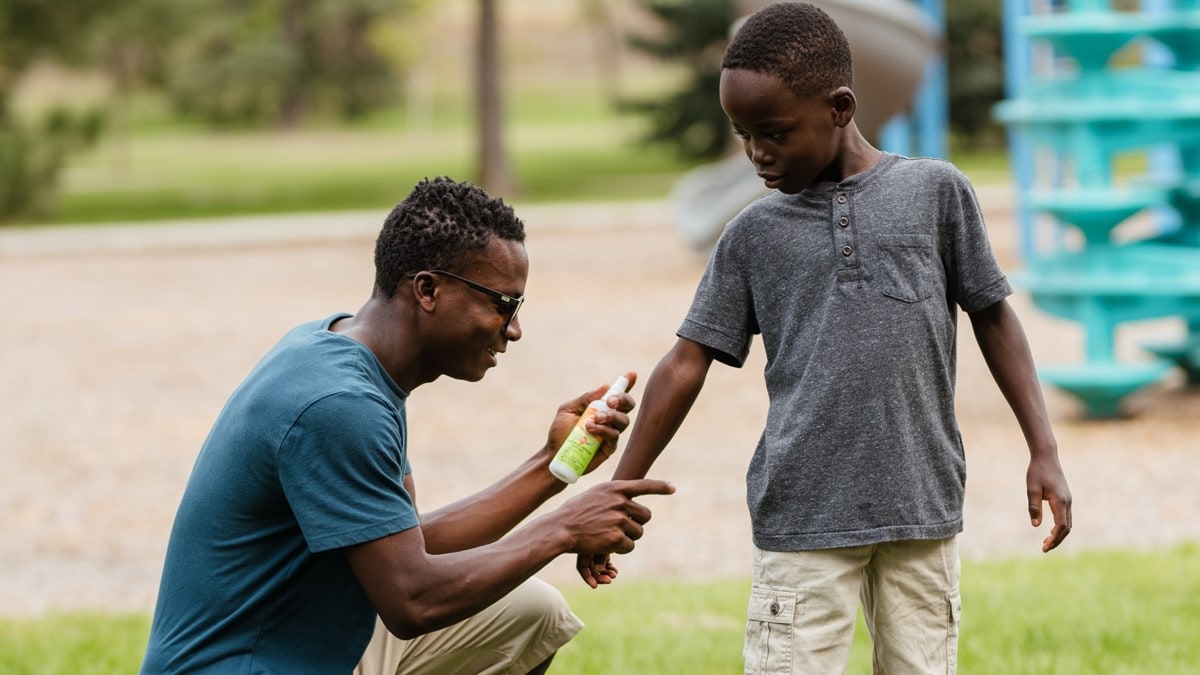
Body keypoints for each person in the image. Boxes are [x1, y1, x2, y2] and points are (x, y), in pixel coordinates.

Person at [579, 3, 1073, 673]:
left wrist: (1043, 447)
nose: (757, 153)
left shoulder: (936, 194)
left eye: (774, 133)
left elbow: (993, 315)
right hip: (801, 518)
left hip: (920, 507)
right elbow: (687, 360)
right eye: (744, 134)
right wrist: (619, 486)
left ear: (840, 107)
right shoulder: (752, 235)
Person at [140, 176, 674, 674]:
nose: (513, 330)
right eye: (502, 304)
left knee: (532, 611)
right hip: (239, 664)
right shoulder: (338, 404)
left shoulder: (341, 352)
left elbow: (410, 543)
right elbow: (412, 600)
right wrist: (563, 529)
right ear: (427, 290)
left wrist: (551, 467)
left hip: (302, 643)